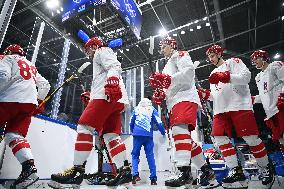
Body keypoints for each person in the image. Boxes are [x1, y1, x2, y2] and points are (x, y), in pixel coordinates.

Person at [48, 37, 131, 188]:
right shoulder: (99, 59)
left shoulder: (101, 50)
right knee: (111, 135)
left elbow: (114, 65)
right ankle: (124, 170)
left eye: (87, 49)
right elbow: (107, 73)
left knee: (84, 127)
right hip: (117, 100)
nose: (87, 53)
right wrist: (91, 95)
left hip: (105, 95)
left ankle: (77, 171)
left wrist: (111, 81)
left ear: (93, 46)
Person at [198, 44, 275, 188]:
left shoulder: (233, 62)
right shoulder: (212, 73)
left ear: (220, 53)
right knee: (220, 139)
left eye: (213, 56)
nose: (211, 59)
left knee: (251, 139)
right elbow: (215, 95)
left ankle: (266, 168)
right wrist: (204, 94)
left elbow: (246, 77)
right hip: (220, 110)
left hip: (239, 105)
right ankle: (235, 170)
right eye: (209, 57)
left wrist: (226, 76)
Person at [149, 37, 219, 188]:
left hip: (185, 98)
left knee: (178, 131)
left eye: (163, 46)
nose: (161, 50)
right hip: (175, 102)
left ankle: (185, 173)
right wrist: (162, 93)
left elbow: (188, 75)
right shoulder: (167, 64)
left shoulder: (180, 55)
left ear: (172, 45)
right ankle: (207, 172)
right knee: (186, 140)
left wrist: (166, 80)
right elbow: (170, 85)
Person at [0, 44, 50, 188]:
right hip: (29, 103)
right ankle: (29, 168)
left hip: (8, 100)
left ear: (9, 51)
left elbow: (2, 76)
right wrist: (39, 102)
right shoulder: (31, 65)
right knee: (14, 136)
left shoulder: (6, 58)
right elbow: (45, 85)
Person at [250, 50, 284, 153]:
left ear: (263, 58)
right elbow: (263, 95)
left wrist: (283, 95)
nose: (254, 62)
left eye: (256, 59)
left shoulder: (275, 65)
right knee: (280, 140)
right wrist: (253, 99)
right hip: (271, 113)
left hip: (280, 108)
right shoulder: (258, 77)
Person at [129, 98, 165, 185]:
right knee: (150, 156)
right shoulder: (152, 109)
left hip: (137, 135)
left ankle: (135, 175)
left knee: (135, 155)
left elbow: (131, 122)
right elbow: (158, 122)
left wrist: (132, 131)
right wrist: (163, 132)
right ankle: (153, 179)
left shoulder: (136, 109)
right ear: (150, 102)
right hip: (148, 136)